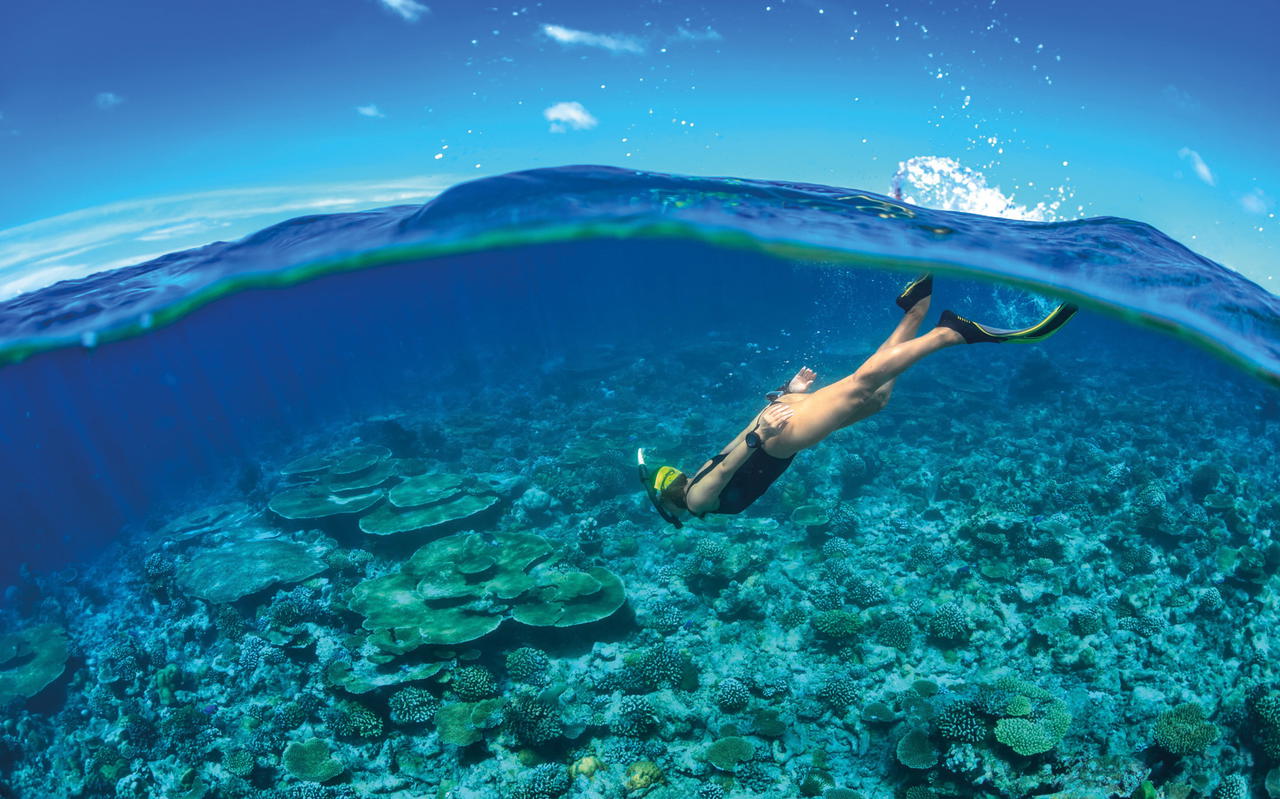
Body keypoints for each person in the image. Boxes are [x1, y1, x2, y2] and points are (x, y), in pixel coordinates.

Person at [637, 275, 1077, 527]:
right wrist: (781, 404)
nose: (672, 472)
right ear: (665, 489)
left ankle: (952, 333)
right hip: (775, 431)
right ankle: (915, 311)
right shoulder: (695, 489)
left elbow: (734, 459)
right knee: (874, 400)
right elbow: (730, 451)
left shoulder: (696, 500)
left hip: (778, 440)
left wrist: (764, 430)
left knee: (862, 385)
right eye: (664, 475)